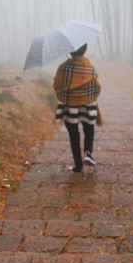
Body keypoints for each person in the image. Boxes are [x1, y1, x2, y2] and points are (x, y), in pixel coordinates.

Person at [53, 44, 101, 173]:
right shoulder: (89, 67)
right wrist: (89, 97)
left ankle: (78, 166)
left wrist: (64, 97)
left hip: (70, 107)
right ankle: (88, 153)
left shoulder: (63, 67)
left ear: (70, 51)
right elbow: (97, 87)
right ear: (85, 50)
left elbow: (56, 85)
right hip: (88, 106)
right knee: (89, 130)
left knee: (74, 136)